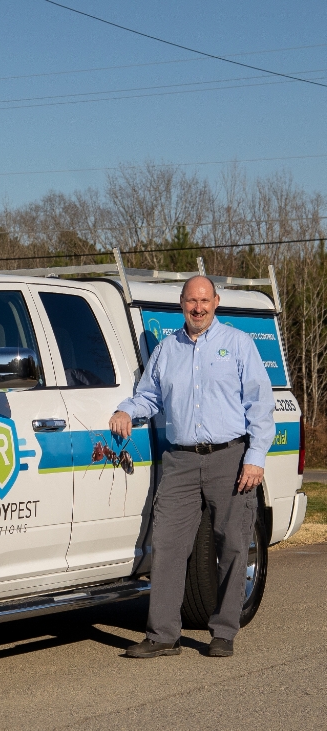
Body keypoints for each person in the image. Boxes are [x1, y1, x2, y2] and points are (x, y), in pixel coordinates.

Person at [110, 275, 274, 658]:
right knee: (167, 544)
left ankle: (224, 631)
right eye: (190, 301)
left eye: (204, 300)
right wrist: (126, 410)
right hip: (181, 459)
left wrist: (255, 459)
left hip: (230, 457)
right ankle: (164, 635)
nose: (197, 307)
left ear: (216, 301)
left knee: (233, 544)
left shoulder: (237, 344)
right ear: (181, 304)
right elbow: (149, 396)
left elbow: (260, 406)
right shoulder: (168, 349)